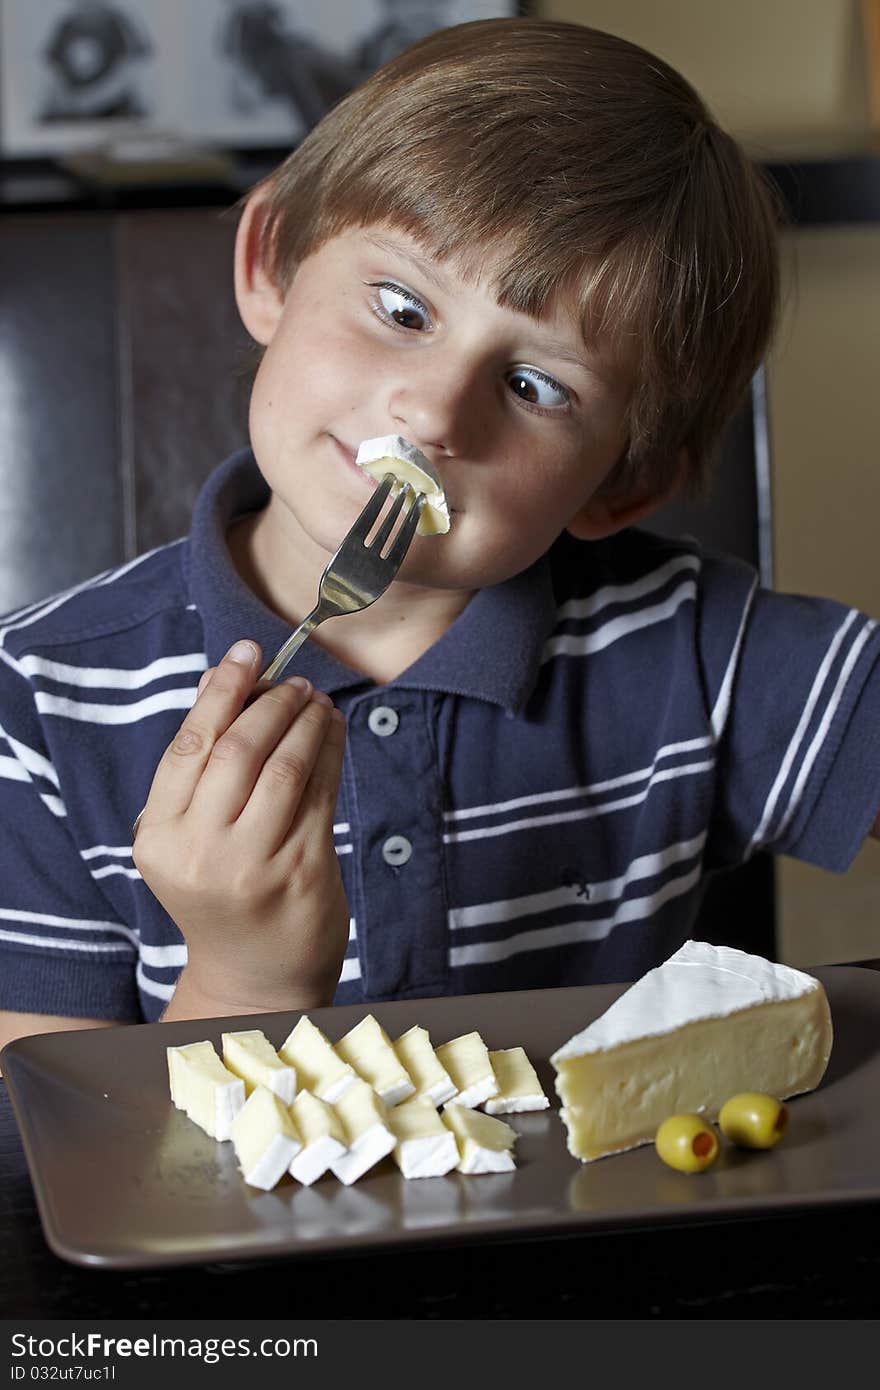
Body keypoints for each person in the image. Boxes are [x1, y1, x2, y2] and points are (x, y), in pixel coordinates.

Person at [1, 18, 878, 1051]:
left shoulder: (696, 650)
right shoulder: (40, 702)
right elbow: (51, 1168)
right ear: (270, 266)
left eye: (534, 383)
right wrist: (243, 981)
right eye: (402, 308)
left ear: (620, 486)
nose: (432, 412)